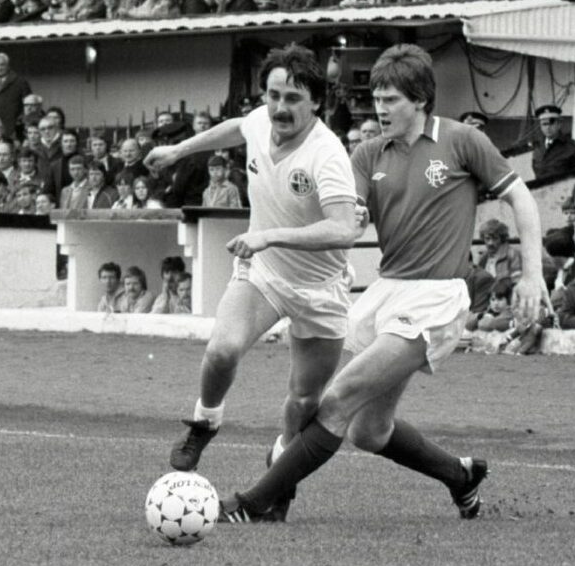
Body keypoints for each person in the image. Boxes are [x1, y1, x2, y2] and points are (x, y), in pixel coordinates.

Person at [215, 44, 544, 524]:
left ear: (421, 99)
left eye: (391, 100)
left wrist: (533, 275)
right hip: (387, 293)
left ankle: (254, 502)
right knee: (369, 431)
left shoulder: (462, 141)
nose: (380, 109)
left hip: (436, 296)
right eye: (377, 99)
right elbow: (346, 216)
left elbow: (522, 199)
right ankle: (460, 476)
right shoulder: (367, 154)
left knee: (338, 398)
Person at [144, 44, 360, 522]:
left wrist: (267, 235)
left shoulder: (327, 154)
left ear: (317, 103)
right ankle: (205, 422)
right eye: (273, 95)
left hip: (322, 288)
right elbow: (237, 128)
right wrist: (179, 149)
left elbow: (345, 228)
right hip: (266, 275)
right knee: (222, 350)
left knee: (304, 400)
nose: (280, 108)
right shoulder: (260, 120)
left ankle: (278, 474)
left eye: (294, 99)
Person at [531, 104, 575, 179]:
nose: (548, 127)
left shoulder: (572, 148)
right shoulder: (538, 147)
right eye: (544, 124)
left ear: (559, 124)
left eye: (551, 123)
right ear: (540, 126)